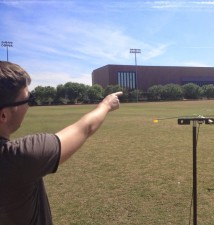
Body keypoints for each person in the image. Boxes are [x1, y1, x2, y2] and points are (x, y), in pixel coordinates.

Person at [0, 61, 123, 225]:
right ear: (4, 115)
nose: (29, 105)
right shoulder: (19, 157)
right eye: (27, 99)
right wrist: (106, 104)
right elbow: (85, 128)